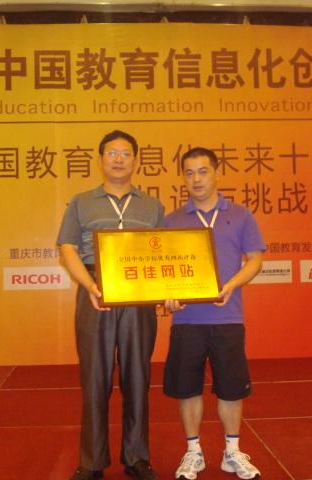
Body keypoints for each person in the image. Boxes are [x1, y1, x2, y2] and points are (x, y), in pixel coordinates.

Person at [57, 130, 164, 480]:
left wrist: (168, 289)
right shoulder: (81, 202)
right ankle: (91, 462)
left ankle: (136, 458)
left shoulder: (153, 206)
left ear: (135, 160)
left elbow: (165, 254)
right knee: (94, 378)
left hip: (139, 293)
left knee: (138, 376)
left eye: (125, 153)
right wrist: (89, 285)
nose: (119, 159)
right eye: (112, 153)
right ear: (101, 159)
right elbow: (68, 248)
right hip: (95, 290)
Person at [163, 147, 266, 480]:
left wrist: (232, 284)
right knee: (187, 388)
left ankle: (231, 452)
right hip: (187, 320)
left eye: (203, 171)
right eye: (189, 173)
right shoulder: (172, 221)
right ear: (183, 178)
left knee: (231, 388)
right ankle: (193, 452)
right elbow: (163, 270)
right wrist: (167, 295)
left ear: (217, 173)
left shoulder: (240, 215)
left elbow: (255, 259)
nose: (196, 179)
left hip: (227, 318)